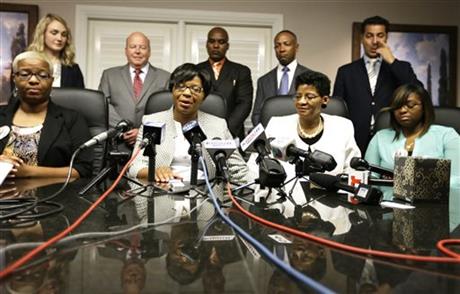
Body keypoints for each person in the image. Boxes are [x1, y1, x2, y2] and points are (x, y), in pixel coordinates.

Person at [128, 63, 249, 184]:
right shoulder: (152, 122)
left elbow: (239, 169)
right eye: (180, 86)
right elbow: (134, 166)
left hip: (206, 194)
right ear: (172, 90)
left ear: (204, 96)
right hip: (163, 192)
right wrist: (154, 172)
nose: (186, 93)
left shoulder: (218, 125)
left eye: (195, 89)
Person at [333, 16, 420, 154]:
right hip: (354, 139)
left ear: (386, 38)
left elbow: (418, 93)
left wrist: (391, 60)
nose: (374, 41)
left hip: (391, 137)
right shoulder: (346, 72)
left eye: (380, 36)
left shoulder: (401, 68)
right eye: (369, 36)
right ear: (362, 38)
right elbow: (337, 110)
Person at [0, 51, 93, 178]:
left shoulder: (72, 119)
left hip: (51, 195)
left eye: (43, 75)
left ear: (51, 81)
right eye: (25, 74)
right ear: (14, 79)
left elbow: (84, 169)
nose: (33, 80)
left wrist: (29, 172)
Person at [264, 70, 361, 178]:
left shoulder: (343, 127)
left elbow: (353, 171)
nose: (301, 102)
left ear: (324, 100)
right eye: (298, 96)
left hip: (331, 193)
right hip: (283, 193)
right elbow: (258, 166)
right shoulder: (276, 125)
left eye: (309, 97)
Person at [365, 84, 459, 183]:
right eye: (397, 107)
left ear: (424, 107)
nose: (403, 110)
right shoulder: (380, 138)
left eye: (410, 105)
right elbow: (369, 178)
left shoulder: (447, 136)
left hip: (433, 197)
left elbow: (456, 180)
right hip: (386, 197)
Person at [99, 32, 170, 148]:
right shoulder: (109, 75)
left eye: (143, 47)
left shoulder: (165, 77)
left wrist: (142, 131)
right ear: (126, 51)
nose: (137, 51)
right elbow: (103, 105)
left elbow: (168, 112)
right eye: (133, 47)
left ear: (149, 51)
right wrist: (123, 128)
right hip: (118, 143)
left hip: (151, 144)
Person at [197, 27, 253, 140]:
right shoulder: (195, 70)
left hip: (232, 134)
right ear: (207, 45)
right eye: (212, 41)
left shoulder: (241, 71)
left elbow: (244, 103)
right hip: (200, 133)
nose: (216, 46)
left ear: (227, 46)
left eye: (221, 42)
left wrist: (226, 131)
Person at [251, 30, 312, 126]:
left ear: (296, 47)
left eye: (286, 44)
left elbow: (316, 111)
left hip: (302, 135)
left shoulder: (311, 77)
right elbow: (256, 115)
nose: (281, 49)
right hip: (271, 136)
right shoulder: (264, 81)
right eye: (277, 45)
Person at [28, 13, 85, 88]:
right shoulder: (27, 64)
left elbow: (80, 98)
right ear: (42, 34)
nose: (59, 38)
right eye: (54, 33)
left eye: (64, 35)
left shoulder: (73, 69)